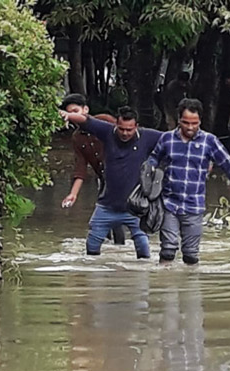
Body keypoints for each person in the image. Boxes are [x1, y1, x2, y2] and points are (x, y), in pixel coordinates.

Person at [148, 98, 230, 265]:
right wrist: (146, 183)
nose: (190, 127)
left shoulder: (209, 141)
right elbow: (152, 161)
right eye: (186, 122)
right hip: (168, 204)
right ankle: (165, 286)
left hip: (194, 205)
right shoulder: (167, 140)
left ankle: (191, 286)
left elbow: (228, 165)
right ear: (179, 120)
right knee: (167, 250)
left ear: (200, 120)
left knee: (191, 255)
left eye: (194, 123)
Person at [60, 106, 164, 259]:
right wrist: (68, 115)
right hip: (106, 206)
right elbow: (87, 121)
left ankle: (141, 278)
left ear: (136, 126)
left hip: (135, 207)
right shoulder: (107, 132)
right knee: (91, 248)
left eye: (129, 130)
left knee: (143, 250)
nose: (125, 133)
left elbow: (174, 140)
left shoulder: (148, 137)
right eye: (121, 129)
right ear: (116, 125)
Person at [59, 93, 126, 246]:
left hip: (122, 174)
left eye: (74, 112)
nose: (71, 117)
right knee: (103, 219)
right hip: (104, 178)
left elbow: (126, 135)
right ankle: (108, 251)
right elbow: (80, 168)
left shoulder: (104, 121)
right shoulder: (77, 137)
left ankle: (119, 251)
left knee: (113, 217)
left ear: (86, 110)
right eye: (69, 114)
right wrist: (73, 194)